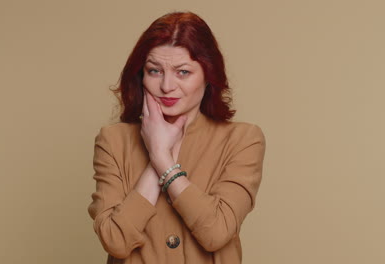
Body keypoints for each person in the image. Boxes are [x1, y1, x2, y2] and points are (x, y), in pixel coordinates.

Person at [87, 11, 266, 264]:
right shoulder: (113, 141)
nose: (167, 85)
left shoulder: (242, 139)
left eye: (183, 72)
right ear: (141, 76)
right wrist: (156, 153)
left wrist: (162, 158)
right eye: (154, 71)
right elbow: (116, 240)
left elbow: (216, 232)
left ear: (208, 76)